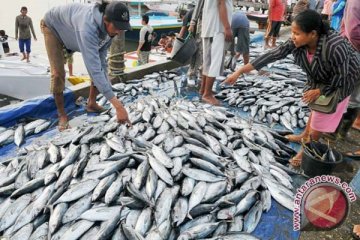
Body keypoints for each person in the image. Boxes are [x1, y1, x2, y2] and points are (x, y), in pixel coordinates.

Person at [223, 10, 360, 167]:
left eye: (297, 33)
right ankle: (304, 135)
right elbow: (272, 55)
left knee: (321, 116)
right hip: (322, 79)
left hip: (344, 80)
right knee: (315, 109)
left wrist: (319, 91)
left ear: (313, 34)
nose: (292, 36)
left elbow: (341, 76)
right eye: (292, 32)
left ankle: (306, 151)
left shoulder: (334, 46)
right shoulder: (298, 43)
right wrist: (239, 72)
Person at [41, 1, 131, 131]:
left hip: (71, 31)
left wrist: (108, 89)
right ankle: (62, 115)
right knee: (57, 74)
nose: (119, 32)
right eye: (117, 27)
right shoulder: (88, 27)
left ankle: (92, 103)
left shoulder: (111, 30)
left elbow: (101, 63)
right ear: (106, 20)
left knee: (99, 68)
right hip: (53, 27)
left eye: (122, 27)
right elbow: (93, 69)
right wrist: (118, 106)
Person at [200, 0, 233, 105]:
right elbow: (221, 4)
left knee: (208, 62)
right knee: (214, 62)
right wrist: (227, 28)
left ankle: (203, 90)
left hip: (211, 28)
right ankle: (207, 95)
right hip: (217, 28)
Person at [188, 0, 205, 82]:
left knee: (204, 51)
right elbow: (198, 6)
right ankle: (193, 72)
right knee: (198, 49)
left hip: (212, 26)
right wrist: (192, 23)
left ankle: (201, 71)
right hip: (202, 25)